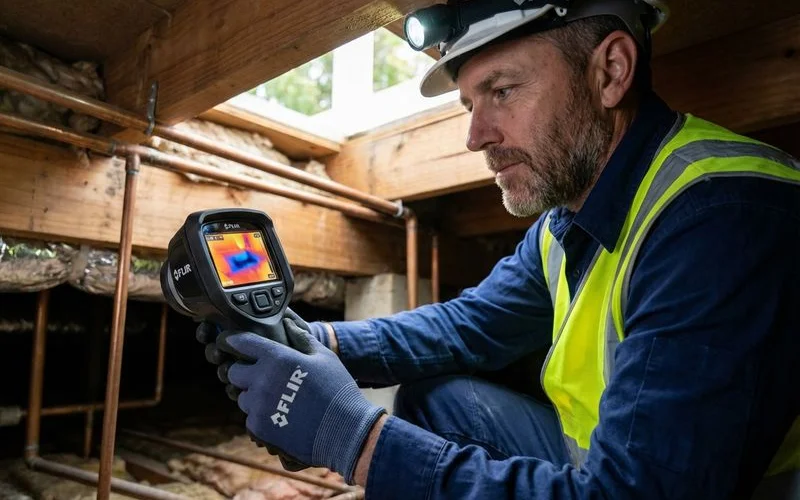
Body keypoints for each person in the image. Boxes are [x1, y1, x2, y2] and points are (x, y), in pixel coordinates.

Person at [197, 0, 800, 498]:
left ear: (611, 71)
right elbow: (470, 327)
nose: (475, 136)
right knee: (437, 397)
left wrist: (353, 439)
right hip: (594, 458)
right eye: (469, 105)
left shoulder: (718, 215)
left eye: (503, 91)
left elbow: (637, 493)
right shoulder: (568, 215)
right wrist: (311, 340)